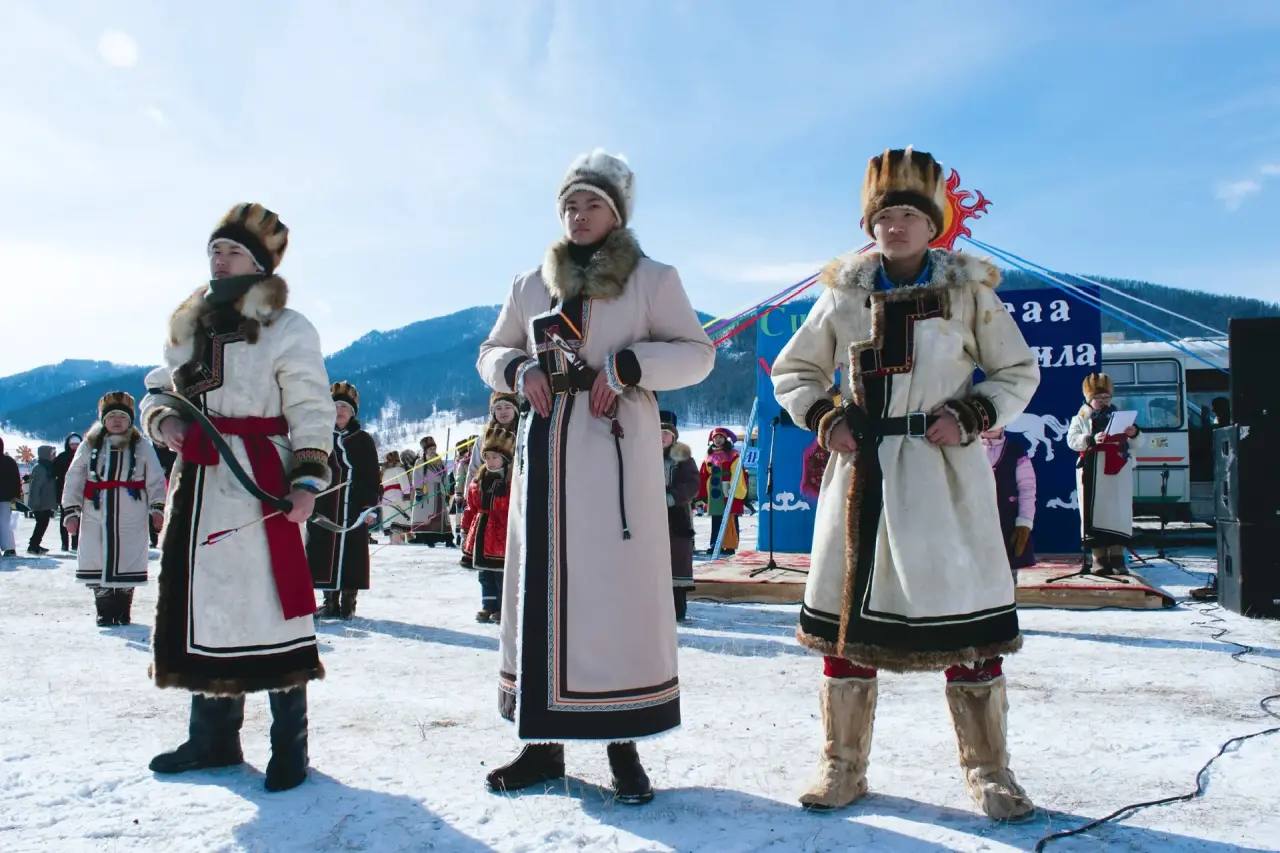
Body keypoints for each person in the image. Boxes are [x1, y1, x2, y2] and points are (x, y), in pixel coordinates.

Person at [771, 148, 1040, 819]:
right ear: (870, 225)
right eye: (884, 216)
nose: (895, 227)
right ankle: (841, 765)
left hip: (944, 476)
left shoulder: (968, 292)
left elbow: (1017, 371)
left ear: (933, 224)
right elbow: (795, 370)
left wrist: (973, 414)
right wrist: (827, 416)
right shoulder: (843, 295)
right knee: (846, 625)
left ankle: (989, 771)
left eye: (909, 216)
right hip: (863, 474)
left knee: (970, 624)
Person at [477, 149, 715, 803]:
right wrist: (517, 369)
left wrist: (631, 364)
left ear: (617, 213)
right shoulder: (531, 284)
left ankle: (623, 744)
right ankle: (541, 744)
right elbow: (493, 349)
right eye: (570, 205)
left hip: (612, 457)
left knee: (614, 596)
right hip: (544, 455)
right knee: (541, 592)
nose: (578, 216)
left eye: (592, 205)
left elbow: (697, 354)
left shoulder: (651, 278)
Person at [139, 203, 331, 792]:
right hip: (199, 483)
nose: (219, 260)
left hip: (260, 480)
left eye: (232, 251)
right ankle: (213, 738)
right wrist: (163, 421)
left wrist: (306, 479)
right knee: (208, 606)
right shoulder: (189, 322)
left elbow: (310, 404)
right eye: (214, 250)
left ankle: (290, 745)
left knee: (270, 607)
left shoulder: (288, 326)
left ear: (260, 262)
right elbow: (158, 388)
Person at [61, 392, 167, 626]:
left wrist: (157, 508)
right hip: (95, 509)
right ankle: (104, 609)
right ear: (103, 420)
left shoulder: (141, 445)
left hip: (131, 510)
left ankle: (123, 609)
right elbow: (75, 476)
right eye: (112, 416)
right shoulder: (90, 445)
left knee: (128, 557)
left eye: (122, 416)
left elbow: (156, 477)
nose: (117, 420)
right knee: (96, 556)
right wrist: (71, 510)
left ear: (130, 420)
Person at [308, 382, 380, 619]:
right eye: (336, 406)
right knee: (323, 551)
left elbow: (371, 476)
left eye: (345, 407)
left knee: (352, 554)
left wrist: (369, 508)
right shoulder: (320, 437)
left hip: (354, 508)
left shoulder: (363, 440)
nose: (340, 411)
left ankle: (348, 604)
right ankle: (329, 602)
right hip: (324, 507)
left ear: (352, 413)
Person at [1066, 373, 1140, 575]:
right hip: (1093, 469)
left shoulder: (1121, 417)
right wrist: (1090, 439)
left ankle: (1117, 558)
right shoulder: (1080, 418)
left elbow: (1138, 443)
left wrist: (1134, 434)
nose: (1103, 401)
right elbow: (1071, 441)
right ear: (1089, 399)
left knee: (1118, 513)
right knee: (1095, 514)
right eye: (1098, 398)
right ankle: (1098, 558)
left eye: (1106, 397)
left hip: (1118, 471)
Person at [460, 424, 515, 622]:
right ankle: (487, 605)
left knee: (500, 573)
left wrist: (503, 496)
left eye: (495, 457)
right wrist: (465, 528)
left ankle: (502, 607)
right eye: (487, 457)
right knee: (484, 574)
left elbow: (513, 508)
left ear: (505, 459)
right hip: (481, 532)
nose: (490, 461)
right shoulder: (478, 481)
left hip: (501, 534)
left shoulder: (511, 482)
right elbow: (471, 507)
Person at [981, 427, 1037, 574]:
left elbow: (1027, 488)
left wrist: (1024, 522)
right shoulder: (966, 451)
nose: (990, 426)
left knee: (1008, 573)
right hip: (975, 523)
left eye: (995, 422)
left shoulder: (1015, 450)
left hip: (1007, 524)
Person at [661, 411, 699, 621]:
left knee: (677, 562)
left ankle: (678, 610)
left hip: (677, 517)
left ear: (673, 436)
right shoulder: (643, 454)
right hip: (650, 515)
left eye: (666, 433)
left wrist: (672, 497)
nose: (662, 437)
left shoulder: (682, 458)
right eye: (658, 432)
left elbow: (693, 484)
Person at [696, 427, 748, 555]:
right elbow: (703, 474)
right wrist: (701, 494)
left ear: (725, 439)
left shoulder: (733, 454)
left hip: (728, 489)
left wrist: (735, 490)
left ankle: (729, 545)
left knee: (729, 517)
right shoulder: (709, 456)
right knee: (716, 518)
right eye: (715, 438)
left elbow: (737, 472)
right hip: (714, 490)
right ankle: (715, 544)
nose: (718, 440)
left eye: (720, 437)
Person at [411, 437, 453, 546]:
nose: (433, 451)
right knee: (426, 516)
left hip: (440, 491)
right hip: (427, 491)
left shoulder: (440, 462)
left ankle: (448, 539)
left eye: (434, 448)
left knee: (442, 516)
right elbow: (417, 476)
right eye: (430, 449)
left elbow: (445, 477)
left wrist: (447, 491)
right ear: (425, 450)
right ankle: (427, 539)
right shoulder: (420, 462)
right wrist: (419, 490)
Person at [24, 445, 58, 555]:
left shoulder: (48, 467)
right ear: (46, 454)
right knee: (41, 524)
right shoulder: (40, 468)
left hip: (45, 502)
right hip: (39, 503)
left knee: (42, 524)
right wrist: (35, 503)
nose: (54, 456)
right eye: (52, 454)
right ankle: (33, 546)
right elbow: (35, 487)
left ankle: (34, 544)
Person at [53, 432, 83, 552]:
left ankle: (75, 543)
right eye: (72, 444)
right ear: (68, 444)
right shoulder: (62, 457)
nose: (75, 446)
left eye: (77, 444)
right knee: (64, 518)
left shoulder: (83, 456)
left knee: (79, 518)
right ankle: (64, 543)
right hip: (63, 492)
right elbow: (54, 473)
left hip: (80, 492)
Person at [380, 450, 412, 543]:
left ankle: (393, 541)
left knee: (390, 521)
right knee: (398, 521)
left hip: (386, 498)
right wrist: (407, 495)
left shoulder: (384, 472)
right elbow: (405, 484)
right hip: (398, 497)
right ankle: (397, 543)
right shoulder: (399, 469)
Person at [0, 439, 20, 557]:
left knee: (5, 522)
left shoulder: (9, 461)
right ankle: (9, 547)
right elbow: (16, 480)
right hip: (7, 497)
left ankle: (9, 547)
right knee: (5, 523)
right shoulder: (9, 461)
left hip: (6, 497)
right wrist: (16, 496)